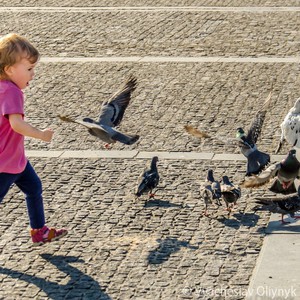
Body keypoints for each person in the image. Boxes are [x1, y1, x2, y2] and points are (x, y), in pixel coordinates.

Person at [0, 33, 67, 246]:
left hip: (16, 160)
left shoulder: (3, 88)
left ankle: (39, 231)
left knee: (34, 188)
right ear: (10, 69)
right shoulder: (12, 92)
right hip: (5, 163)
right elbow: (16, 124)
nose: (33, 74)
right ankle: (39, 231)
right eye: (29, 69)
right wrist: (41, 134)